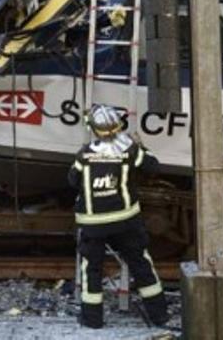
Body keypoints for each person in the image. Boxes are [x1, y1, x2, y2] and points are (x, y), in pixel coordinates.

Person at [68, 104, 169, 329]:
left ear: (93, 129)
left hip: (93, 224)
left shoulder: (84, 154)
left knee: (91, 269)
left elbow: (72, 181)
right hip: (125, 221)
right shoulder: (130, 149)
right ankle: (159, 316)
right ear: (118, 126)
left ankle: (92, 320)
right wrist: (141, 145)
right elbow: (153, 167)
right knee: (140, 263)